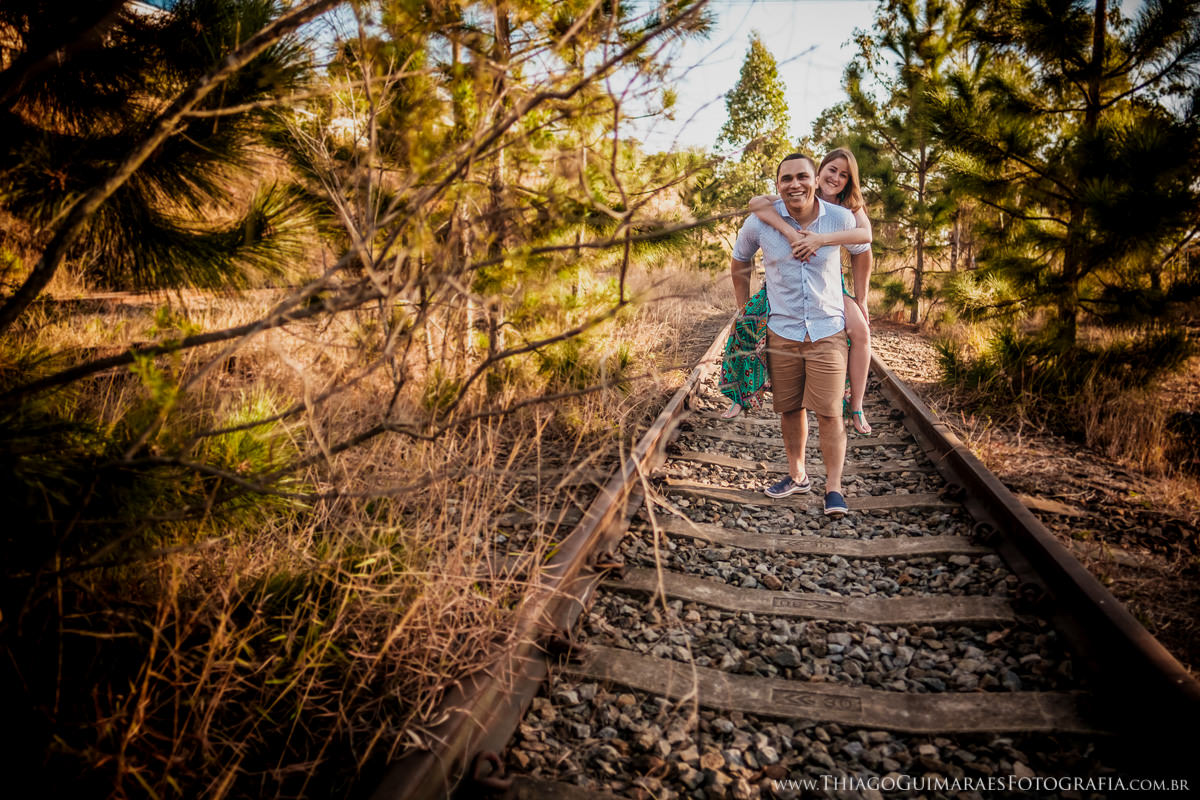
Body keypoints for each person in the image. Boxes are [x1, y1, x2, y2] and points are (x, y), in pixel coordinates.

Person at [729, 153, 871, 516]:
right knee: (790, 409)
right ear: (778, 184)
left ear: (814, 180)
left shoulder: (837, 217)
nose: (795, 184)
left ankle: (834, 488)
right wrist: (745, 307)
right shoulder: (760, 222)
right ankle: (797, 475)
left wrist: (861, 297)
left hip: (827, 330)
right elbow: (740, 259)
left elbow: (863, 245)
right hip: (782, 329)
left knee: (829, 413)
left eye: (802, 177)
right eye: (786, 178)